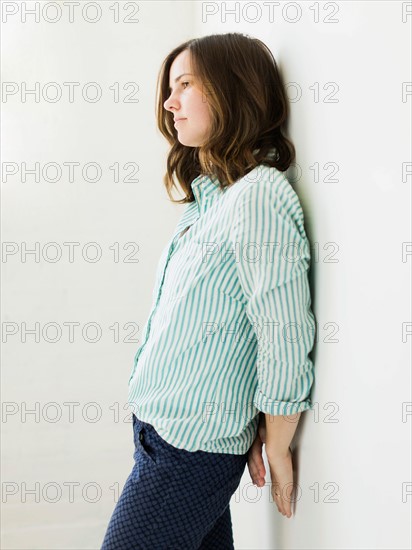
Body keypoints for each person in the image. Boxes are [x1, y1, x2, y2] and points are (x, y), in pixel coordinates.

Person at [101, 32, 316, 549]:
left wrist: (278, 440)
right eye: (169, 90)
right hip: (160, 435)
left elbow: (282, 329)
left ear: (230, 89)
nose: (170, 103)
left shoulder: (259, 197)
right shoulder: (209, 202)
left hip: (187, 450)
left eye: (185, 84)